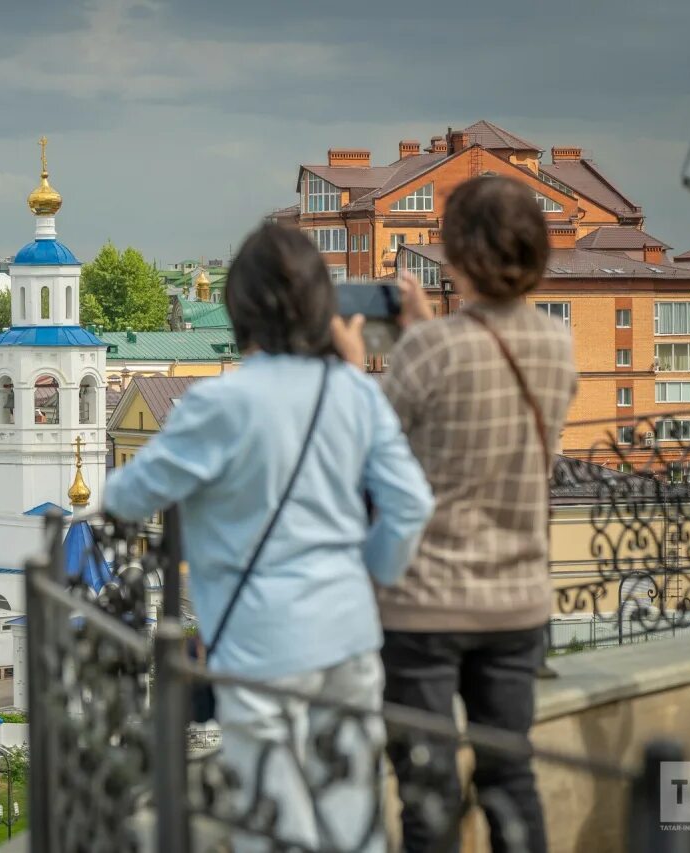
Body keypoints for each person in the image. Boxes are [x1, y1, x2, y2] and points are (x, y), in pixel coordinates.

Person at [103, 223, 435, 852]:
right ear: (323, 306)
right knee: (353, 821)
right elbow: (411, 505)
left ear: (239, 309)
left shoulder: (218, 404)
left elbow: (124, 497)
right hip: (349, 635)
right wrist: (372, 577)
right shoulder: (354, 391)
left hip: (259, 647)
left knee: (277, 829)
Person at [333, 176, 577, 853]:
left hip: (425, 606)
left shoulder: (428, 350)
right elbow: (482, 372)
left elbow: (368, 444)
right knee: (510, 773)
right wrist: (430, 330)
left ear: (460, 257)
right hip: (518, 602)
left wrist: (358, 365)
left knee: (427, 787)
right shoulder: (560, 344)